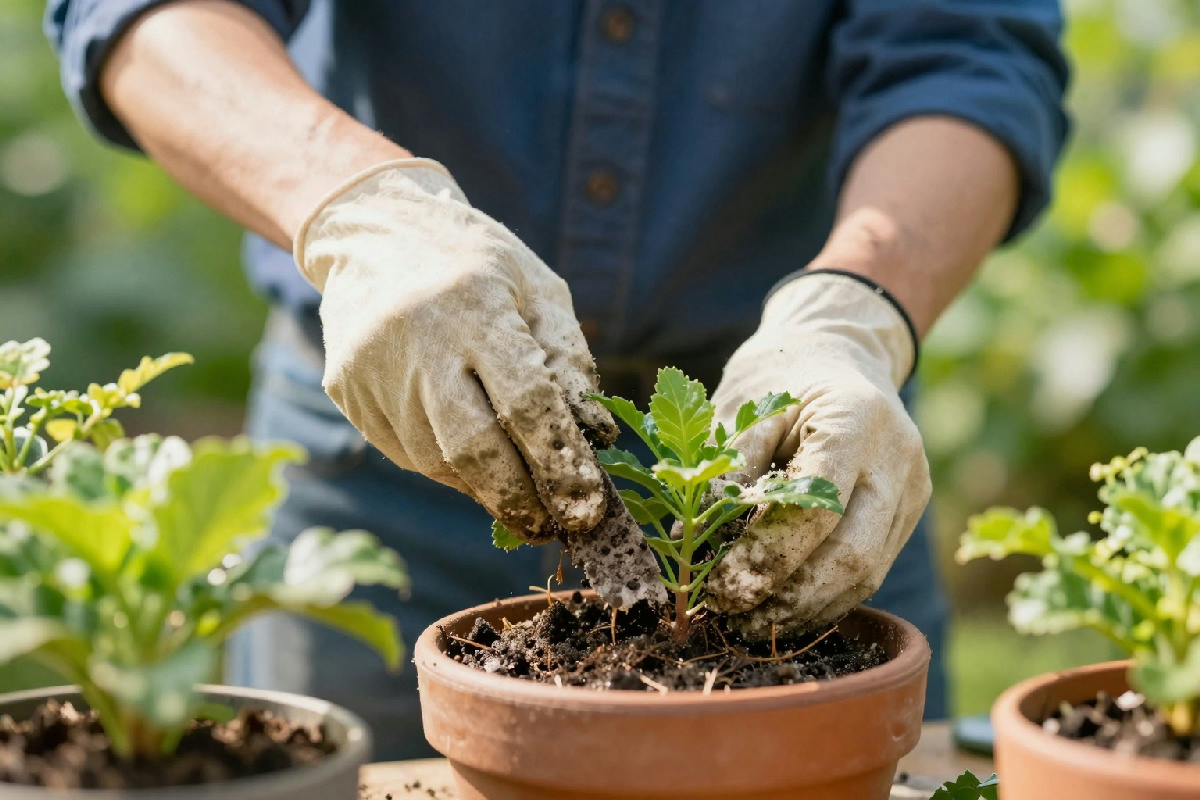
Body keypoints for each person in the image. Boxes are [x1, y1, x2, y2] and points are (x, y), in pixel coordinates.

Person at [47, 0, 1068, 759]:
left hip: (789, 451)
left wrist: (856, 313)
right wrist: (361, 211)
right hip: (393, 425)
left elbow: (968, 53)